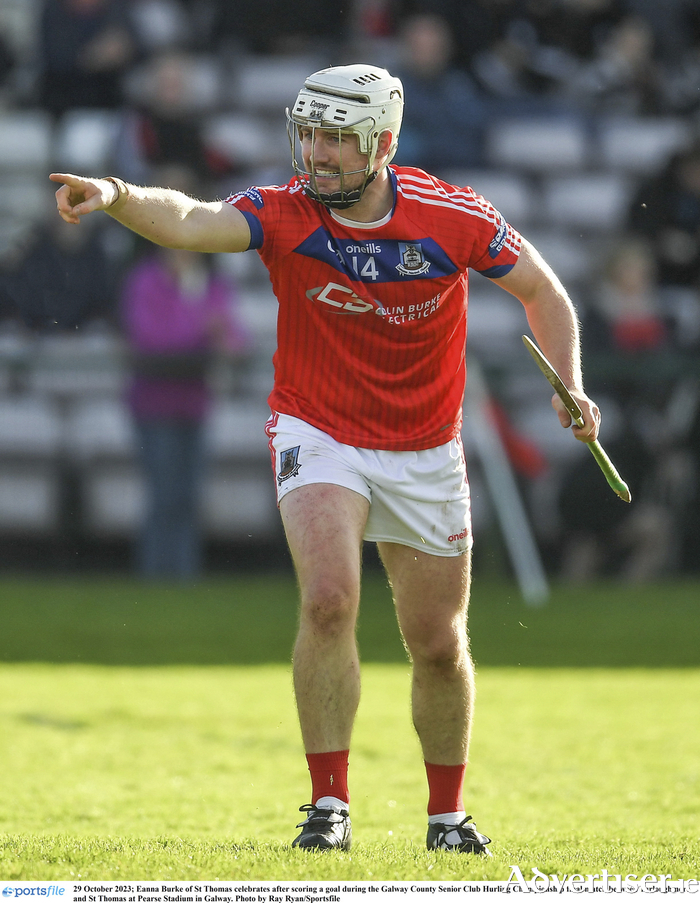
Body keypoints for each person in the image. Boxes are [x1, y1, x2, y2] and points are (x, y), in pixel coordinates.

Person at [50, 63, 601, 854]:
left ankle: (446, 816)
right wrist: (115, 193)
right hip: (319, 430)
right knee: (330, 599)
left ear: (382, 144)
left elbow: (544, 293)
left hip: (425, 446)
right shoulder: (286, 213)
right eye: (309, 133)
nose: (318, 153)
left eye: (339, 138)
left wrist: (570, 385)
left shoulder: (453, 216)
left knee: (440, 642)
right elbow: (192, 218)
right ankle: (328, 804)